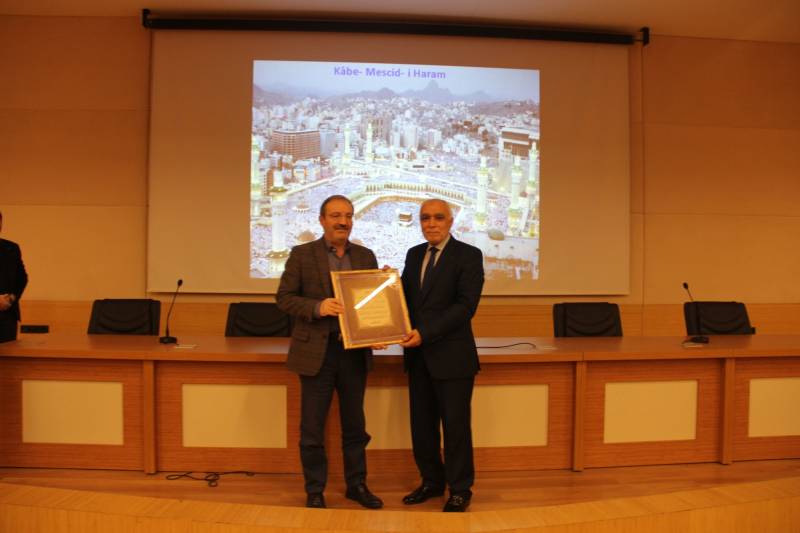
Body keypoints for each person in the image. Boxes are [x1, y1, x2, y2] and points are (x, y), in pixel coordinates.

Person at [276, 195, 384, 510]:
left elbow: (371, 302)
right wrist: (318, 307)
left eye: (348, 216)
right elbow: (284, 298)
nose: (343, 221)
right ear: (322, 220)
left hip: (353, 353)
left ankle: (357, 485)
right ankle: (314, 490)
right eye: (336, 215)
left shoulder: (365, 256)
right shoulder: (302, 255)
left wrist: (380, 322)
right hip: (316, 354)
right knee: (312, 429)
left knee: (355, 427)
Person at [399, 198, 484, 512]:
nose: (431, 223)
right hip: (418, 358)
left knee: (455, 427)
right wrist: (385, 286)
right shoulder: (414, 254)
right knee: (422, 427)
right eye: (425, 218)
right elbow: (404, 299)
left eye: (438, 217)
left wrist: (425, 332)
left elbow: (465, 307)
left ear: (450, 221)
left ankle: (460, 489)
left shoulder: (469, 255)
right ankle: (431, 482)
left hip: (453, 358)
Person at [0, 210, 28, 343]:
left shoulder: (11, 248)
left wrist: (11, 298)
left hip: (7, 315)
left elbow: (22, 278)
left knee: (9, 354)